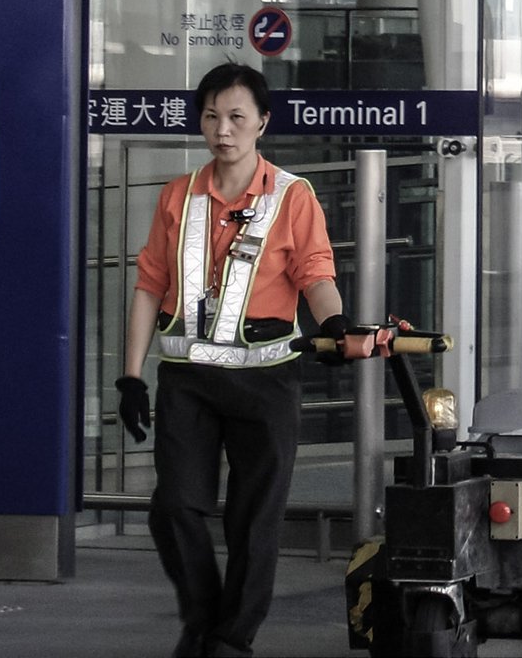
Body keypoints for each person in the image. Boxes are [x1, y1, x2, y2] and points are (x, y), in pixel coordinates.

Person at [116, 62, 349, 657]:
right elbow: (150, 284)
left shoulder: (292, 197)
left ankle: (230, 640)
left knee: (254, 520)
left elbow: (315, 273)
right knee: (173, 508)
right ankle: (203, 619)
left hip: (266, 382)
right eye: (213, 116)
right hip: (189, 381)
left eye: (237, 117)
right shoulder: (178, 196)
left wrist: (336, 325)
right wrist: (131, 375)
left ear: (263, 123)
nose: (223, 129)